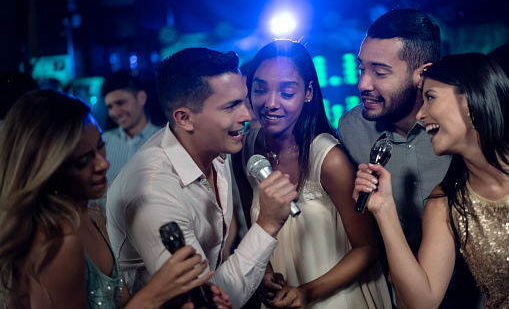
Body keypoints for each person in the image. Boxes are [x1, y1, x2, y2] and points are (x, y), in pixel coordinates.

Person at [0, 89, 231, 308]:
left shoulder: (92, 214)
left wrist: (172, 297)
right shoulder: (58, 242)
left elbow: (121, 304)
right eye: (83, 161)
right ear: (48, 169)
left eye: (100, 147)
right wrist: (154, 294)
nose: (103, 164)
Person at [106, 48, 298, 308]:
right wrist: (267, 225)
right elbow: (203, 303)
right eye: (231, 106)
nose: (247, 116)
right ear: (184, 119)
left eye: (244, 101)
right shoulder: (153, 193)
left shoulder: (217, 146)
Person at [337, 8, 481, 308]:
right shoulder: (350, 128)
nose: (363, 83)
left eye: (380, 71)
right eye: (361, 68)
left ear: (423, 74)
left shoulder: (462, 128)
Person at [234, 40, 391, 308]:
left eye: (286, 92)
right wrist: (264, 272)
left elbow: (368, 248)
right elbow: (256, 227)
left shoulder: (329, 159)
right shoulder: (245, 149)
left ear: (308, 92)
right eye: (260, 89)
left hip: (337, 297)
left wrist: (307, 292)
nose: (270, 103)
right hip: (282, 299)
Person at [354, 53, 509, 309]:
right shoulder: (445, 202)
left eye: (430, 98)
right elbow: (422, 303)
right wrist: (385, 209)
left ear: (470, 99)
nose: (420, 114)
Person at [99, 70, 162, 209]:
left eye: (120, 103)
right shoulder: (103, 142)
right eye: (110, 107)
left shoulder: (163, 139)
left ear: (141, 98)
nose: (115, 112)